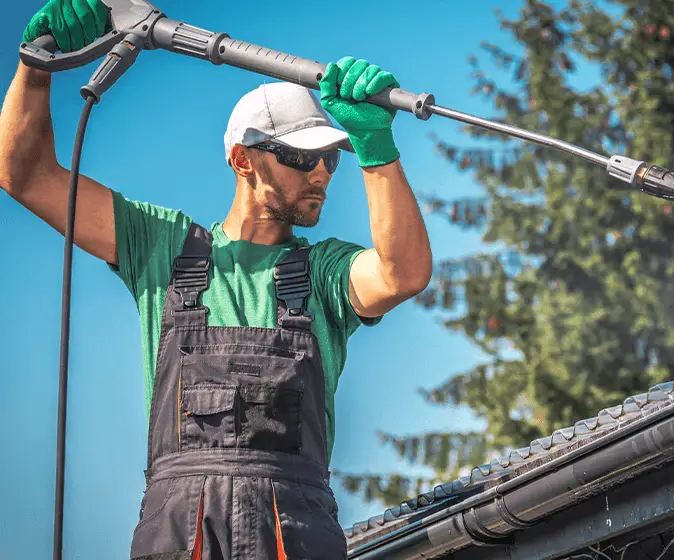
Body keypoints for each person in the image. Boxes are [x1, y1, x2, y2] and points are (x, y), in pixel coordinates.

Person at [1, 0, 433, 558]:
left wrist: (377, 150)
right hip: (180, 532)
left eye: (331, 159)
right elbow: (25, 174)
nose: (322, 174)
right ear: (243, 159)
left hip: (294, 531)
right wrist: (37, 64)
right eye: (302, 158)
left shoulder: (324, 273)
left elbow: (403, 274)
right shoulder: (161, 248)